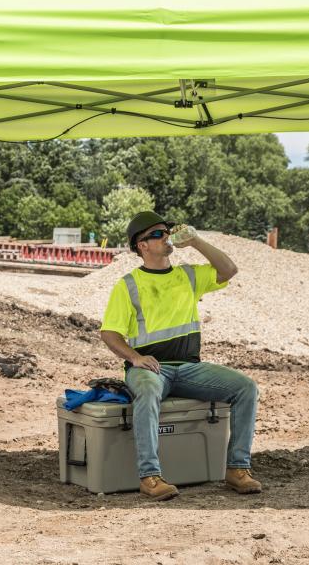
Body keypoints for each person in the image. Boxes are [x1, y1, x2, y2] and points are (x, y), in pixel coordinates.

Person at [99, 211, 261, 500]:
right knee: (147, 392)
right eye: (158, 234)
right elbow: (109, 333)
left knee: (245, 388)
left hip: (188, 368)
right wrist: (135, 358)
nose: (167, 237)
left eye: (167, 232)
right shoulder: (128, 285)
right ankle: (150, 477)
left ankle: (237, 469)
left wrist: (196, 241)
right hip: (150, 369)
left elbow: (229, 270)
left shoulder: (187, 275)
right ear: (142, 245)